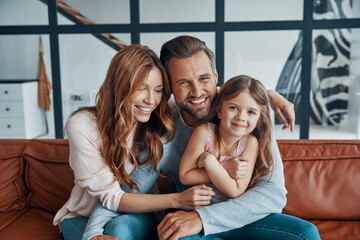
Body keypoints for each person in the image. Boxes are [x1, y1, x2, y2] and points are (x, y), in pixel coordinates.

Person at [156, 35, 320, 239]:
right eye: (183, 82)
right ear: (169, 86)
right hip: (195, 221)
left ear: (216, 77)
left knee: (306, 233)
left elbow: (272, 194)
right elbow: (128, 189)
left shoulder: (251, 121)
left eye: (204, 78)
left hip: (242, 218)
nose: (197, 91)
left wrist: (203, 218)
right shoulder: (162, 129)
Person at [53, 44, 215, 240]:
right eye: (141, 89)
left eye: (158, 90)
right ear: (119, 87)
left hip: (140, 211)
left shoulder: (160, 115)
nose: (150, 100)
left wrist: (260, 97)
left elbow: (204, 96)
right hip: (83, 216)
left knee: (120, 229)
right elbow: (111, 197)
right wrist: (178, 200)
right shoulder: (82, 125)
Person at [179, 75, 274, 206]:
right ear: (219, 111)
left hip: (233, 212)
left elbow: (235, 190)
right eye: (233, 108)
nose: (241, 117)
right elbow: (185, 176)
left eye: (251, 112)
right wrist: (225, 167)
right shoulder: (204, 132)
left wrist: (209, 161)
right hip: (200, 211)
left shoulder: (250, 143)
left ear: (259, 119)